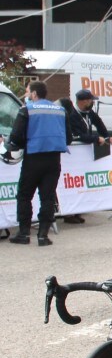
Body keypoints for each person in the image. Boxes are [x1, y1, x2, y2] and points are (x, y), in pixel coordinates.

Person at [3, 81, 70, 246]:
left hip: (33, 158)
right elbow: (68, 137)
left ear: (34, 94)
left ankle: (24, 233)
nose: (26, 95)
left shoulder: (27, 110)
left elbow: (16, 137)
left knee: (24, 195)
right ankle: (43, 235)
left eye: (27, 92)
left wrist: (11, 145)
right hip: (54, 160)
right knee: (47, 197)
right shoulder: (61, 111)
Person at [62, 90, 112, 223]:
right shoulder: (72, 114)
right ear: (83, 102)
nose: (92, 103)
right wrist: (97, 138)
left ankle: (78, 210)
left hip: (83, 155)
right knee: (71, 182)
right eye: (90, 100)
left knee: (81, 182)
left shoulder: (89, 113)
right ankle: (68, 213)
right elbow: (79, 135)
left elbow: (99, 123)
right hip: (72, 155)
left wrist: (107, 136)